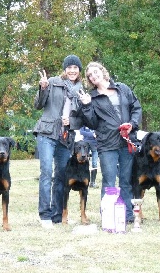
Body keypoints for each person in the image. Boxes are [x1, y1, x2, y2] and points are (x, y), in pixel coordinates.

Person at [79, 61, 142, 223]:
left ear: (102, 71)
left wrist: (132, 125)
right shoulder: (91, 97)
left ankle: (127, 215)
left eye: (95, 72)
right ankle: (108, 216)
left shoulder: (122, 88)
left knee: (126, 180)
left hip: (127, 141)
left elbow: (136, 108)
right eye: (90, 75)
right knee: (109, 181)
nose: (93, 76)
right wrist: (86, 106)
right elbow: (92, 123)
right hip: (107, 144)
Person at [34, 54, 85, 228]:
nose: (72, 70)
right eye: (69, 67)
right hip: (47, 133)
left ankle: (57, 214)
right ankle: (44, 214)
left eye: (75, 68)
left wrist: (72, 122)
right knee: (47, 172)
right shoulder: (53, 82)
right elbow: (38, 105)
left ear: (79, 70)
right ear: (65, 69)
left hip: (65, 137)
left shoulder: (81, 89)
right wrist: (42, 88)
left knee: (61, 175)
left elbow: (82, 117)